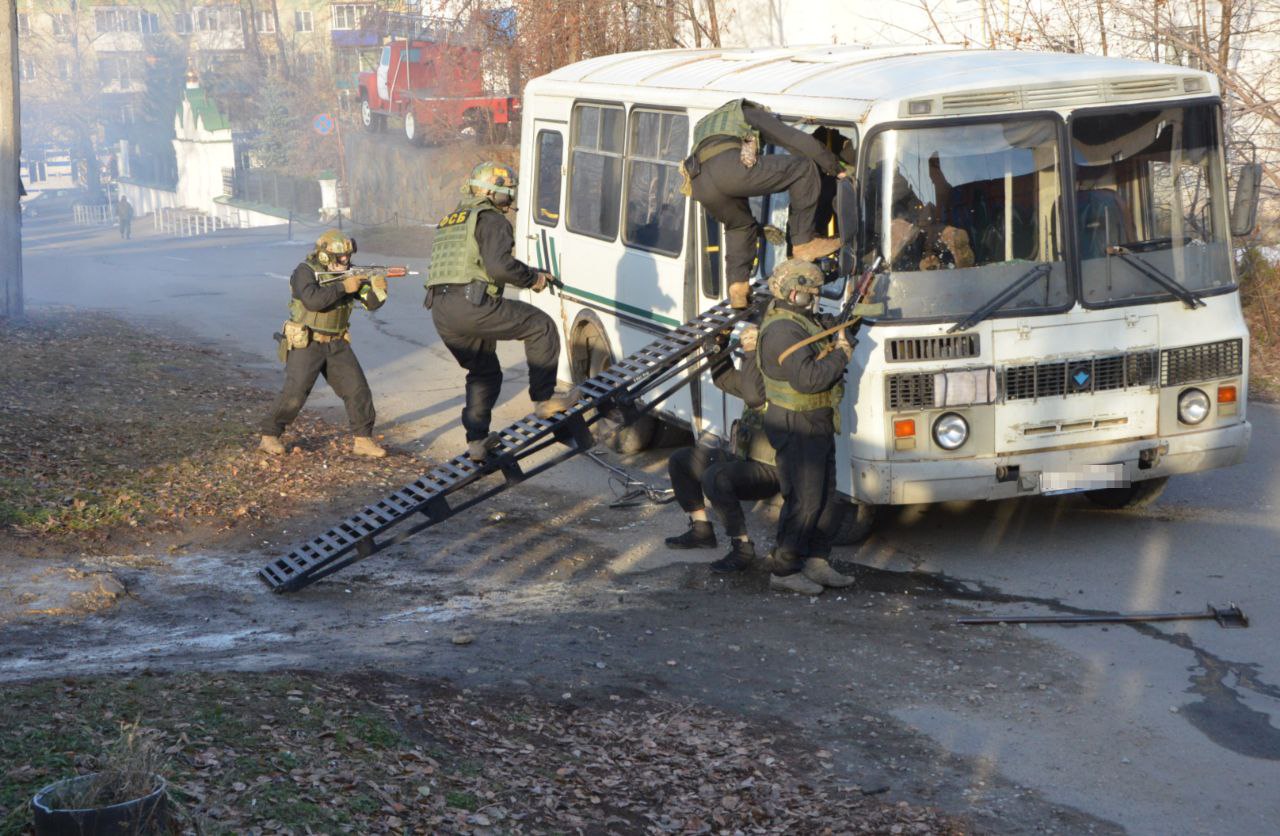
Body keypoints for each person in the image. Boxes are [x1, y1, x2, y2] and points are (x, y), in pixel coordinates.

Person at [425, 161, 576, 462]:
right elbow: (498, 266)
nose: (510, 198)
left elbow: (468, 265)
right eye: (507, 191)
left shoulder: (452, 220)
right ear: (493, 191)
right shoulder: (491, 219)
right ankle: (544, 399)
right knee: (540, 325)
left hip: (441, 310)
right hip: (470, 305)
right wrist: (533, 279)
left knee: (484, 371)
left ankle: (477, 441)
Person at [684, 98, 846, 309]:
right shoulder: (749, 114)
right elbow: (793, 139)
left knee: (740, 226)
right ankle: (804, 241)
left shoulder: (709, 122)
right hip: (728, 171)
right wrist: (835, 167)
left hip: (700, 183)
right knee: (804, 169)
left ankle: (738, 287)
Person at [756, 259, 857, 594]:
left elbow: (819, 329)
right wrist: (841, 354)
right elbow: (809, 379)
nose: (814, 299)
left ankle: (816, 560)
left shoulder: (798, 319)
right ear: (792, 292)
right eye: (809, 294)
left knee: (826, 496)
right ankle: (784, 571)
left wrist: (844, 327)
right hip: (796, 422)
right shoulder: (783, 330)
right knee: (805, 500)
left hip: (815, 419)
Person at [260, 229, 388, 458]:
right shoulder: (305, 272)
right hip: (307, 341)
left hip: (337, 342)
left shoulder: (349, 274)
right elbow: (312, 301)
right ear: (324, 255)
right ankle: (269, 435)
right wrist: (342, 287)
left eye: (347, 256)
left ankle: (363, 440)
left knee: (357, 389)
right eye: (340, 257)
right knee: (295, 393)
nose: (345, 261)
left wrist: (378, 288)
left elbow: (371, 303)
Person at [664, 324, 778, 571]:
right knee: (681, 460)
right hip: (746, 459)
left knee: (716, 477)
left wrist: (749, 354)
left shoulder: (781, 382)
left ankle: (743, 548)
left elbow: (753, 396)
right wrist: (718, 349)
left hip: (773, 469)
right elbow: (724, 379)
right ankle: (702, 530)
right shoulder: (756, 379)